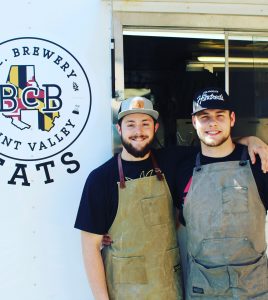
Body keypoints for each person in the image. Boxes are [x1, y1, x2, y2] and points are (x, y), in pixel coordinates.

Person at [75, 95, 268, 300]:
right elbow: (90, 247)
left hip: (170, 289)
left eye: (145, 124)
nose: (138, 132)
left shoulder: (173, 161)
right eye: (130, 124)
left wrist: (252, 141)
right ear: (119, 129)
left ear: (155, 128)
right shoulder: (100, 179)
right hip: (124, 292)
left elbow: (215, 143)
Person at [176, 87, 268, 299]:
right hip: (203, 290)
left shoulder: (258, 163)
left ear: (232, 118)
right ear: (194, 122)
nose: (212, 123)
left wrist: (252, 140)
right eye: (204, 117)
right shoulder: (180, 168)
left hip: (255, 289)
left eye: (220, 116)